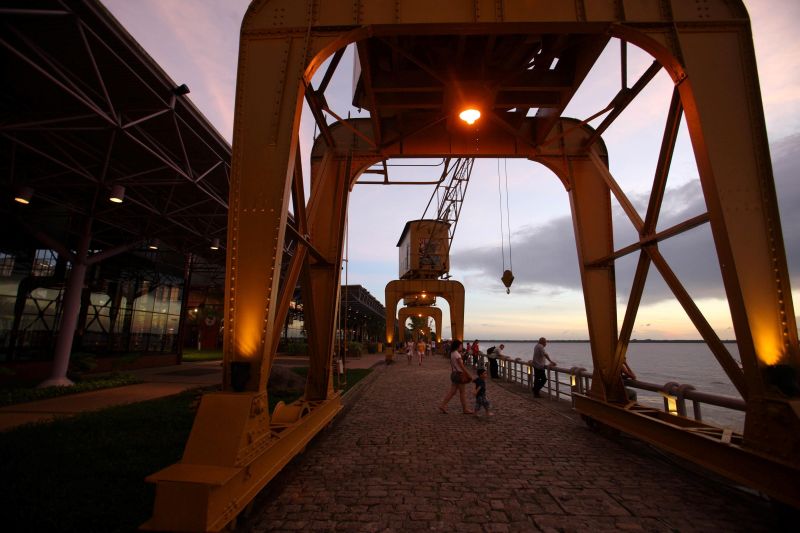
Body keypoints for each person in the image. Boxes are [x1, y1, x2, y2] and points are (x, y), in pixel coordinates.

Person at [439, 339, 473, 414]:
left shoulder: (452, 353)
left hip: (454, 374)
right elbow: (462, 366)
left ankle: (443, 405)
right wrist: (469, 375)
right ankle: (465, 409)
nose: (462, 347)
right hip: (459, 375)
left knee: (452, 392)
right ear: (458, 346)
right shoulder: (457, 354)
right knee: (462, 392)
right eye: (461, 345)